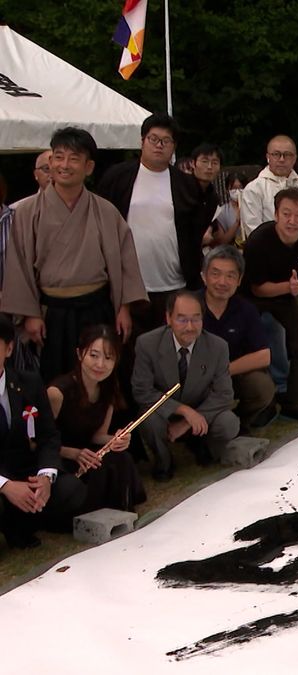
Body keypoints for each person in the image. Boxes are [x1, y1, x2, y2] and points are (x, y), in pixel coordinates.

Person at [1, 127, 147, 382]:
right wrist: (30, 314)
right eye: (58, 157)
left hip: (97, 307)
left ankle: (103, 423)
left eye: (73, 158)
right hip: (52, 312)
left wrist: (123, 307)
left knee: (99, 376)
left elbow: (125, 263)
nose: (64, 165)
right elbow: (19, 265)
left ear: (88, 167)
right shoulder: (27, 212)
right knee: (55, 379)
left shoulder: (105, 211)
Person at [95, 114, 215, 310]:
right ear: (142, 141)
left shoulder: (185, 184)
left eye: (166, 141)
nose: (159, 145)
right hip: (129, 285)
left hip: (175, 283)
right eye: (153, 139)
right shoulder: (117, 177)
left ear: (174, 146)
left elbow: (200, 221)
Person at [241, 188, 298, 422]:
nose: (292, 221)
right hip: (253, 298)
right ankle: (264, 402)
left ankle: (294, 402)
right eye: (286, 214)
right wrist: (287, 287)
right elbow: (256, 288)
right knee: (258, 345)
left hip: (288, 297)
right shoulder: (259, 240)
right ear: (276, 215)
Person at [132, 291, 239, 481]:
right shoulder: (146, 343)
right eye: (182, 319)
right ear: (168, 318)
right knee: (147, 419)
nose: (190, 327)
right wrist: (183, 411)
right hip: (164, 409)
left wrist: (188, 421)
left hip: (200, 408)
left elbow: (224, 394)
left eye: (196, 319)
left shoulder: (218, 346)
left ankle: (205, 449)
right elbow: (142, 391)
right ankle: (164, 462)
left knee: (228, 423)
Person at [0, 314, 86, 549]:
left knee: (72, 490)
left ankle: (29, 518)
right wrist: (6, 485)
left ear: (8, 349)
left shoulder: (28, 382)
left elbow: (49, 435)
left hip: (26, 469)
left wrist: (46, 476)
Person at [47, 325, 145, 513]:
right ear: (79, 353)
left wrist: (117, 439)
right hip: (58, 458)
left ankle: (121, 510)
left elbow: (97, 436)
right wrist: (73, 453)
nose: (100, 364)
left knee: (120, 457)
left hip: (87, 454)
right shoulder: (57, 393)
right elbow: (36, 443)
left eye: (108, 358)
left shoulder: (108, 387)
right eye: (94, 355)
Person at [201, 246, 274, 431]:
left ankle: (240, 424)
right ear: (204, 276)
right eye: (215, 274)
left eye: (230, 276)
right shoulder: (190, 306)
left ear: (239, 280)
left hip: (231, 374)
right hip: (196, 377)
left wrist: (222, 372)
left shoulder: (246, 309)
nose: (222, 282)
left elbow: (264, 356)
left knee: (262, 387)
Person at [239, 135, 298, 232]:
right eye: (276, 154)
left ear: (294, 159)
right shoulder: (254, 188)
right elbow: (253, 229)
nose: (282, 159)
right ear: (268, 157)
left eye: (287, 155)